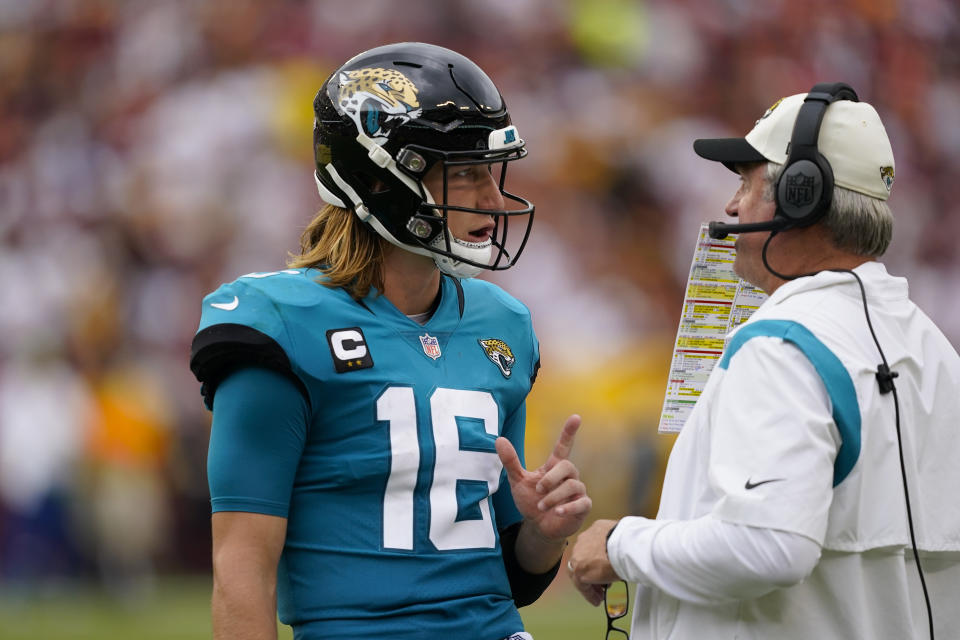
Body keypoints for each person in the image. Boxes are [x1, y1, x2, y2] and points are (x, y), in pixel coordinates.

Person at [189, 42, 591, 640]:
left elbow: (513, 574)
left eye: (491, 172)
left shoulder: (500, 324)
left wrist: (541, 528)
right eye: (466, 172)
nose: (492, 198)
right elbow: (243, 569)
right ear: (381, 178)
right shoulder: (280, 325)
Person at [568, 83, 960, 639]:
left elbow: (769, 545)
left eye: (747, 183)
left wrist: (619, 544)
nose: (730, 206)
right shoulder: (935, 348)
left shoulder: (781, 346)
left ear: (802, 196)